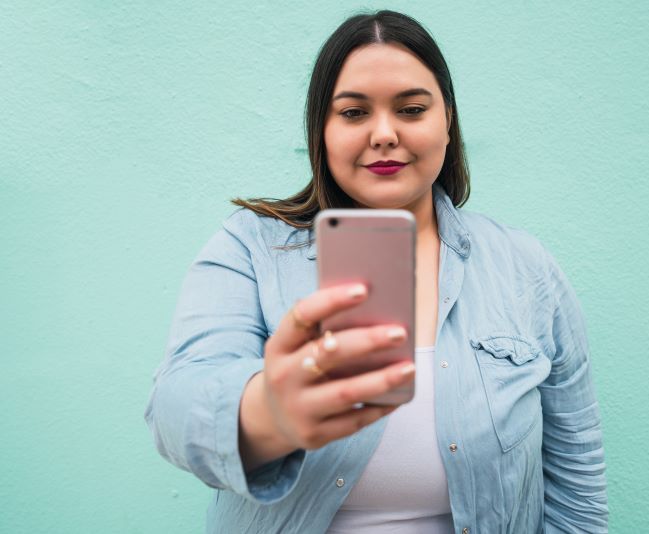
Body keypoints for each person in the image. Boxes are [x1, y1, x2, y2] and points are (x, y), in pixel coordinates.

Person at [145, 9, 608, 534]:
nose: (384, 134)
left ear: (448, 120)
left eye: (411, 109)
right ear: (320, 128)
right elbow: (174, 406)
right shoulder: (250, 247)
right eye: (353, 113)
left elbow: (577, 486)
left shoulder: (526, 268)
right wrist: (268, 412)